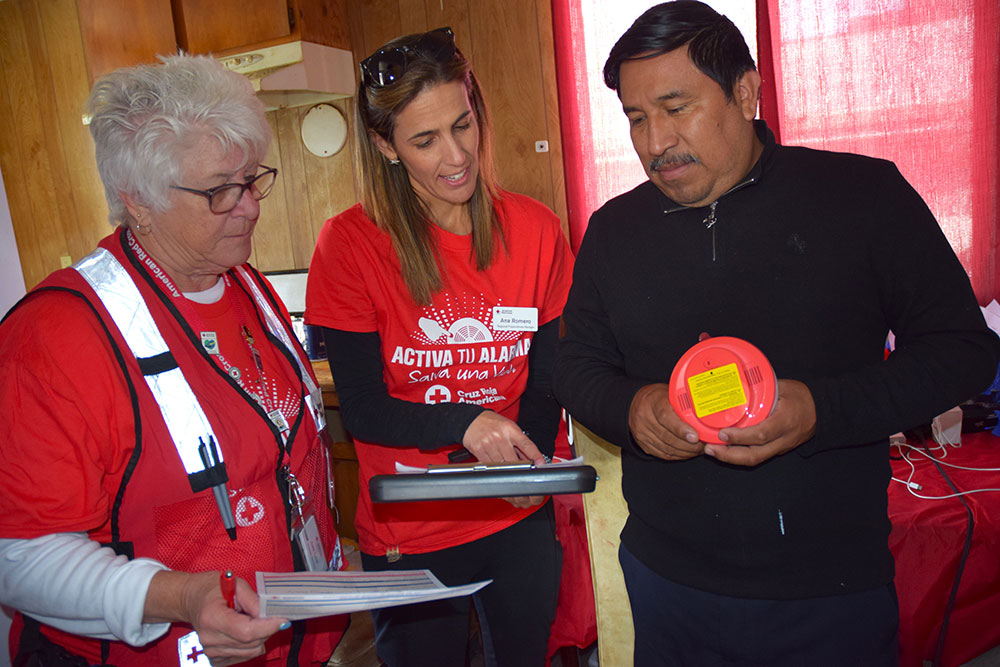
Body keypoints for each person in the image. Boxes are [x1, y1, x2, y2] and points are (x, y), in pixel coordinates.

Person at [552, 1, 1000, 665]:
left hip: (827, 589)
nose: (654, 141)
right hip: (666, 581)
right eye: (636, 117)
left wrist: (821, 409)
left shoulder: (862, 197)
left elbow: (963, 351)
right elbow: (576, 367)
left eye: (677, 108)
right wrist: (633, 409)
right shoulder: (615, 229)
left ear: (744, 90)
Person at [0, 54, 348, 666]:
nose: (249, 206)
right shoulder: (55, 337)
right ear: (137, 199)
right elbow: (19, 557)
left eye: (252, 179)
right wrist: (183, 596)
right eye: (219, 190)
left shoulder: (246, 285)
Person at [305, 26, 574, 666]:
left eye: (463, 125)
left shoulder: (536, 229)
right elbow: (365, 409)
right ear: (385, 146)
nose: (456, 156)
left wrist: (527, 471)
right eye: (425, 141)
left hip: (515, 515)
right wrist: (470, 422)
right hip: (410, 527)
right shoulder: (349, 245)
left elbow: (547, 372)